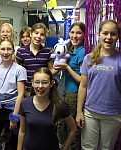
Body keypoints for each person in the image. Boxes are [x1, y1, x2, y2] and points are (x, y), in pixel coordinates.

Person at [76, 20, 121, 150]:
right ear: (99, 34)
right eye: (105, 33)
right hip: (90, 112)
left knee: (106, 148)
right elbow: (83, 87)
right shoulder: (88, 59)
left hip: (113, 114)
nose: (108, 37)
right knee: (87, 147)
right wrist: (79, 112)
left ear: (118, 36)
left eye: (113, 34)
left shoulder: (119, 60)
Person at [17, 67, 77, 150]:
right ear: (32, 83)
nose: (40, 86)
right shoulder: (25, 103)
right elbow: (22, 131)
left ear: (51, 84)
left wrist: (64, 148)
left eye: (45, 82)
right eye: (37, 82)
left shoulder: (59, 105)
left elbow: (73, 129)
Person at [0, 39, 27, 150]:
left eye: (9, 49)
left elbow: (20, 94)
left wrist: (15, 116)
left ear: (13, 51)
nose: (6, 52)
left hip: (11, 108)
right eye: (3, 49)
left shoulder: (19, 69)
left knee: (11, 140)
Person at [55, 22, 85, 150]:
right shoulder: (72, 51)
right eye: (72, 32)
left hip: (75, 94)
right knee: (63, 124)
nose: (74, 36)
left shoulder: (82, 52)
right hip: (66, 92)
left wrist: (67, 67)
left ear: (84, 35)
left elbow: (82, 80)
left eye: (78, 33)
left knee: (72, 128)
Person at [16, 23, 56, 97]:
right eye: (36, 33)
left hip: (42, 89)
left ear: (44, 37)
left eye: (42, 34)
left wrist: (59, 67)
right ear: (31, 34)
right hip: (26, 89)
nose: (38, 36)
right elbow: (16, 72)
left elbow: (51, 71)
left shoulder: (47, 51)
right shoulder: (21, 51)